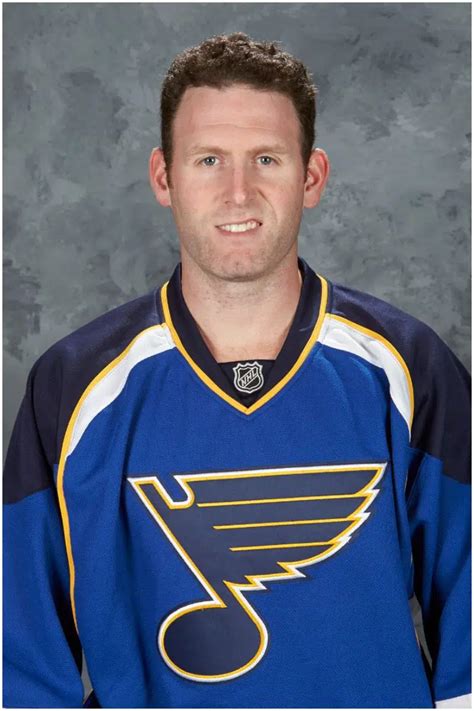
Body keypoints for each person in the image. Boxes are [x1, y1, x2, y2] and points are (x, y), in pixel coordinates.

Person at [3, 33, 470, 709]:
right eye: (209, 160)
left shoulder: (407, 369)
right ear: (164, 177)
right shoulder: (74, 387)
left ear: (312, 177)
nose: (238, 192)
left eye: (267, 159)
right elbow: (20, 663)